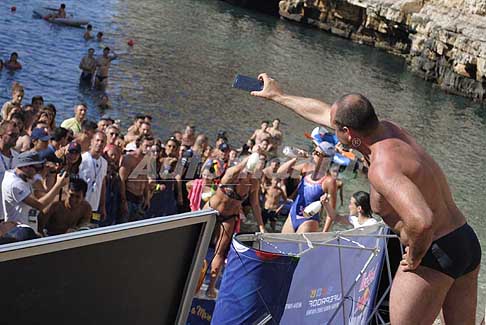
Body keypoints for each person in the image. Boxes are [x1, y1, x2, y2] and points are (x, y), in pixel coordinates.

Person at [251, 73, 482, 324]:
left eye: (336, 128)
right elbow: (323, 112)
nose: (332, 129)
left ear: (349, 133)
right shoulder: (389, 130)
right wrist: (278, 95)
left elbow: (422, 220)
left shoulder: (382, 166)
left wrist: (414, 257)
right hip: (464, 241)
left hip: (434, 252)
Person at [204, 153, 266, 298]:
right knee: (198, 245)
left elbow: (255, 204)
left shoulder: (254, 183)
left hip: (229, 217)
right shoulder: (233, 173)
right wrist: (250, 158)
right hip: (211, 211)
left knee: (220, 251)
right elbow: (237, 169)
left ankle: (211, 287)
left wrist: (261, 225)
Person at [277, 141, 337, 233]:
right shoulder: (306, 167)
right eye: (314, 151)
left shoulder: (329, 181)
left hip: (309, 220)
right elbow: (280, 173)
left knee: (299, 247)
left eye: (317, 153)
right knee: (281, 245)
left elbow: (331, 213)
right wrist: (296, 158)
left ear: (326, 158)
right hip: (293, 215)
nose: (313, 154)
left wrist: (324, 233)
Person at [2, 151, 67, 233]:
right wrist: (58, 185)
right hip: (18, 233)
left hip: (29, 228)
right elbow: (39, 205)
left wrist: (49, 173)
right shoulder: (15, 183)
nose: (38, 172)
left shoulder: (24, 175)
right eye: (37, 169)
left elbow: (44, 193)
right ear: (26, 167)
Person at [119, 135, 153, 222]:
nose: (149, 149)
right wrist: (123, 201)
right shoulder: (129, 159)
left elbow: (145, 180)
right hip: (129, 197)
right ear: (140, 144)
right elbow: (122, 181)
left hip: (140, 199)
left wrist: (147, 198)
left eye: (150, 146)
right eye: (147, 146)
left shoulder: (148, 159)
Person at [78, 132, 108, 225]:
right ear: (91, 142)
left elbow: (102, 183)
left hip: (94, 207)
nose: (99, 143)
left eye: (102, 141)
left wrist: (102, 206)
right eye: (97, 140)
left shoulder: (104, 163)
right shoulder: (82, 160)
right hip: (80, 205)